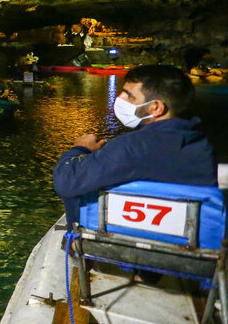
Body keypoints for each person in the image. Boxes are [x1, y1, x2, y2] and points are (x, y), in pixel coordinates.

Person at [53, 65, 217, 228]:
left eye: (130, 96)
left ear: (156, 107)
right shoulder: (202, 144)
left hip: (117, 242)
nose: (120, 98)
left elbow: (66, 183)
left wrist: (80, 149)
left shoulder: (131, 147)